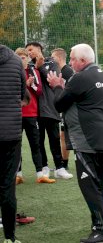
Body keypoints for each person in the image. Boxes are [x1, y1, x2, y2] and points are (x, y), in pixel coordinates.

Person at [47, 43, 103, 243]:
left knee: (88, 185)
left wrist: (57, 86)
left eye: (73, 59)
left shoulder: (81, 77)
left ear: (83, 61)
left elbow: (59, 103)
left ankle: (102, 230)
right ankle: (98, 226)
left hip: (87, 138)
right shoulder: (102, 75)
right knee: (99, 184)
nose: (70, 62)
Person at [25, 42, 73, 180]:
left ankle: (59, 168)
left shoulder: (51, 63)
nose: (29, 52)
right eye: (27, 50)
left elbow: (52, 80)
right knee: (39, 140)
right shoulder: (28, 67)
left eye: (31, 49)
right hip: (35, 110)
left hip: (50, 108)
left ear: (39, 49)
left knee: (54, 139)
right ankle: (44, 167)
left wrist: (40, 67)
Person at [15, 48, 55, 184]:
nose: (21, 60)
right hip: (17, 115)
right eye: (18, 58)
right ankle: (18, 174)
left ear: (27, 58)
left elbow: (39, 91)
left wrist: (31, 84)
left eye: (23, 57)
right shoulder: (13, 73)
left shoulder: (34, 72)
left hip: (32, 114)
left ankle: (40, 174)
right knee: (16, 146)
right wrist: (24, 85)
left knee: (36, 144)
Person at [0, 44, 26, 243]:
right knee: (8, 186)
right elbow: (22, 96)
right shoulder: (16, 61)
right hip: (11, 134)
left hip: (10, 133)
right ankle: (10, 237)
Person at [51, 48, 74, 170]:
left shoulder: (67, 72)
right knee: (63, 135)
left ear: (59, 58)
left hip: (69, 109)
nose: (51, 60)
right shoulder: (62, 71)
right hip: (65, 109)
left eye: (53, 57)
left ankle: (65, 164)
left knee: (68, 135)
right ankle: (64, 163)